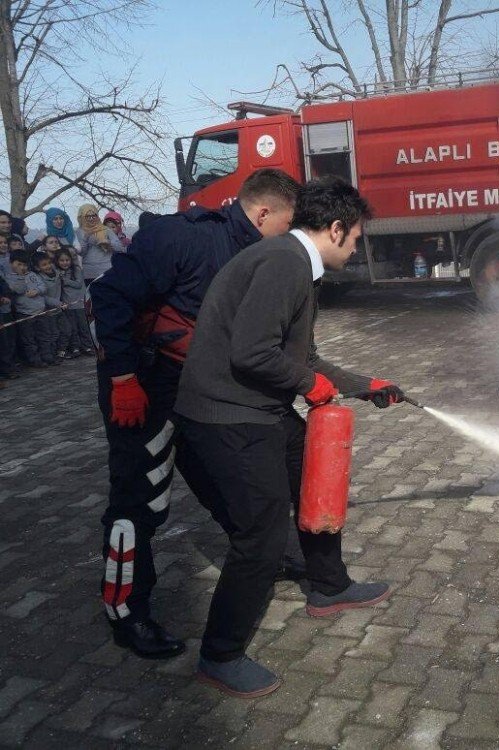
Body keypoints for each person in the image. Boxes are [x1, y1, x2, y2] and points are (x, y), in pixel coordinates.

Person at [174, 177, 401, 697]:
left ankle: (328, 585)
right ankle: (220, 654)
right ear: (337, 228)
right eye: (358, 236)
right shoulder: (282, 264)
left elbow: (303, 358)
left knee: (310, 478)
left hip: (259, 410)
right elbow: (253, 353)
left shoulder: (294, 264)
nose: (359, 246)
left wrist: (366, 387)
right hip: (226, 417)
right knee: (261, 536)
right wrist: (310, 386)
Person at [89, 168, 301, 660]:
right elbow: (108, 297)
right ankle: (126, 612)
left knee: (218, 475)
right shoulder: (181, 237)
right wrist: (122, 378)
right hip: (142, 384)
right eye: (285, 225)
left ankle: (259, 560)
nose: (288, 237)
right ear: (263, 212)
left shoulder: (256, 253)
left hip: (196, 387)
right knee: (139, 501)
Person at [3, 251, 49, 367]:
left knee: (44, 336)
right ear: (11, 263)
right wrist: (20, 276)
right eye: (19, 264)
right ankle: (35, 360)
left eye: (24, 265)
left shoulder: (32, 274)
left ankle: (47, 357)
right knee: (29, 340)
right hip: (24, 314)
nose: (22, 267)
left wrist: (36, 291)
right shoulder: (9, 278)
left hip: (40, 310)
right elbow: (19, 290)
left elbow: (43, 287)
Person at [55, 248, 92, 357]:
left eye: (67, 260)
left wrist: (64, 280)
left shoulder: (77, 269)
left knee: (83, 327)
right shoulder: (57, 272)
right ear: (57, 261)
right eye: (62, 260)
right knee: (73, 328)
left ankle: (87, 346)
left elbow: (78, 284)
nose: (65, 262)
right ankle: (75, 347)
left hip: (80, 304)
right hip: (68, 305)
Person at [77, 204, 124, 284]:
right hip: (89, 272)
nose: (91, 218)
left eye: (94, 215)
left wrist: (108, 243)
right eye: (88, 216)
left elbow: (119, 247)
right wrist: (86, 238)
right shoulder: (79, 232)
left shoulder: (105, 229)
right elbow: (81, 252)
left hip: (107, 269)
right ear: (82, 217)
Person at [33, 253, 65, 362]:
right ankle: (49, 356)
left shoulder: (57, 273)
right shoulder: (38, 278)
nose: (48, 266)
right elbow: (43, 296)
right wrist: (57, 303)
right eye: (44, 264)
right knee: (50, 334)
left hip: (58, 309)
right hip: (48, 311)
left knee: (61, 331)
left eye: (49, 263)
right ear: (37, 268)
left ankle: (58, 353)